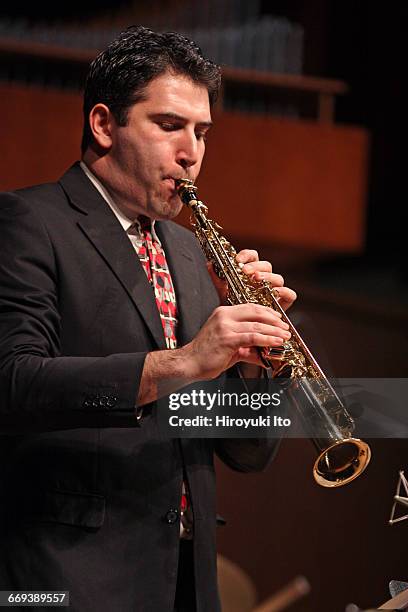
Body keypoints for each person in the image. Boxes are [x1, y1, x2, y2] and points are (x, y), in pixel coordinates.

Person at [0, 26, 296, 612]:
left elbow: (249, 453)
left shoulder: (189, 253)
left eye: (202, 131)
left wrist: (259, 367)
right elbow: (13, 382)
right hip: (63, 579)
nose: (192, 151)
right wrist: (185, 361)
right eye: (169, 125)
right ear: (104, 124)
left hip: (182, 582)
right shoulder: (28, 221)